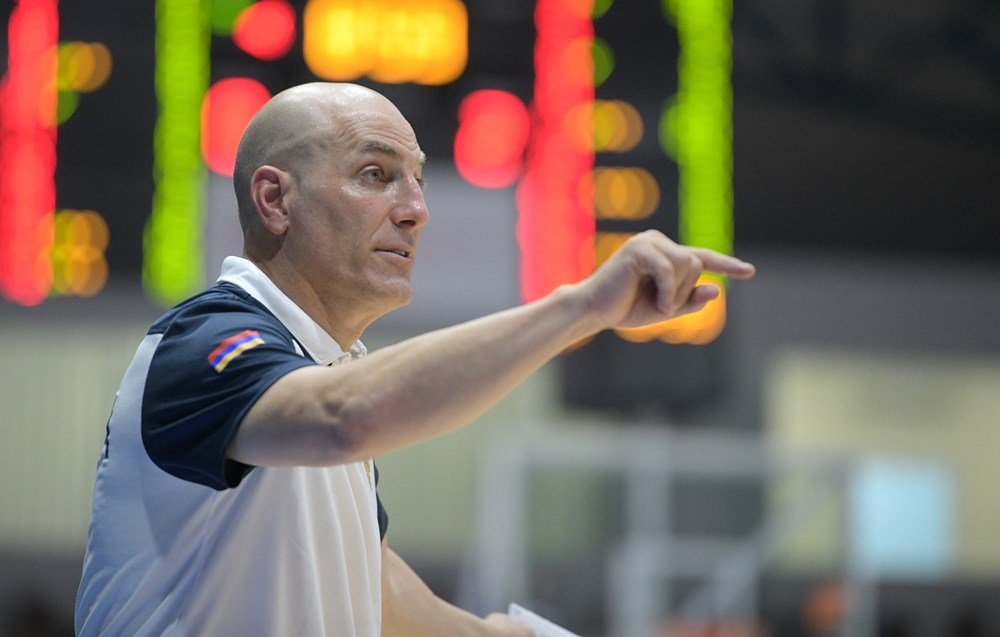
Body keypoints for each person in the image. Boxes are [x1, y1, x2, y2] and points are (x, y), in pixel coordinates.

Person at [74, 82, 755, 636]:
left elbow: (381, 591)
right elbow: (346, 415)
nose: (416, 210)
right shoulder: (202, 342)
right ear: (276, 199)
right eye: (377, 174)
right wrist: (580, 308)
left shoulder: (326, 369)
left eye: (417, 180)